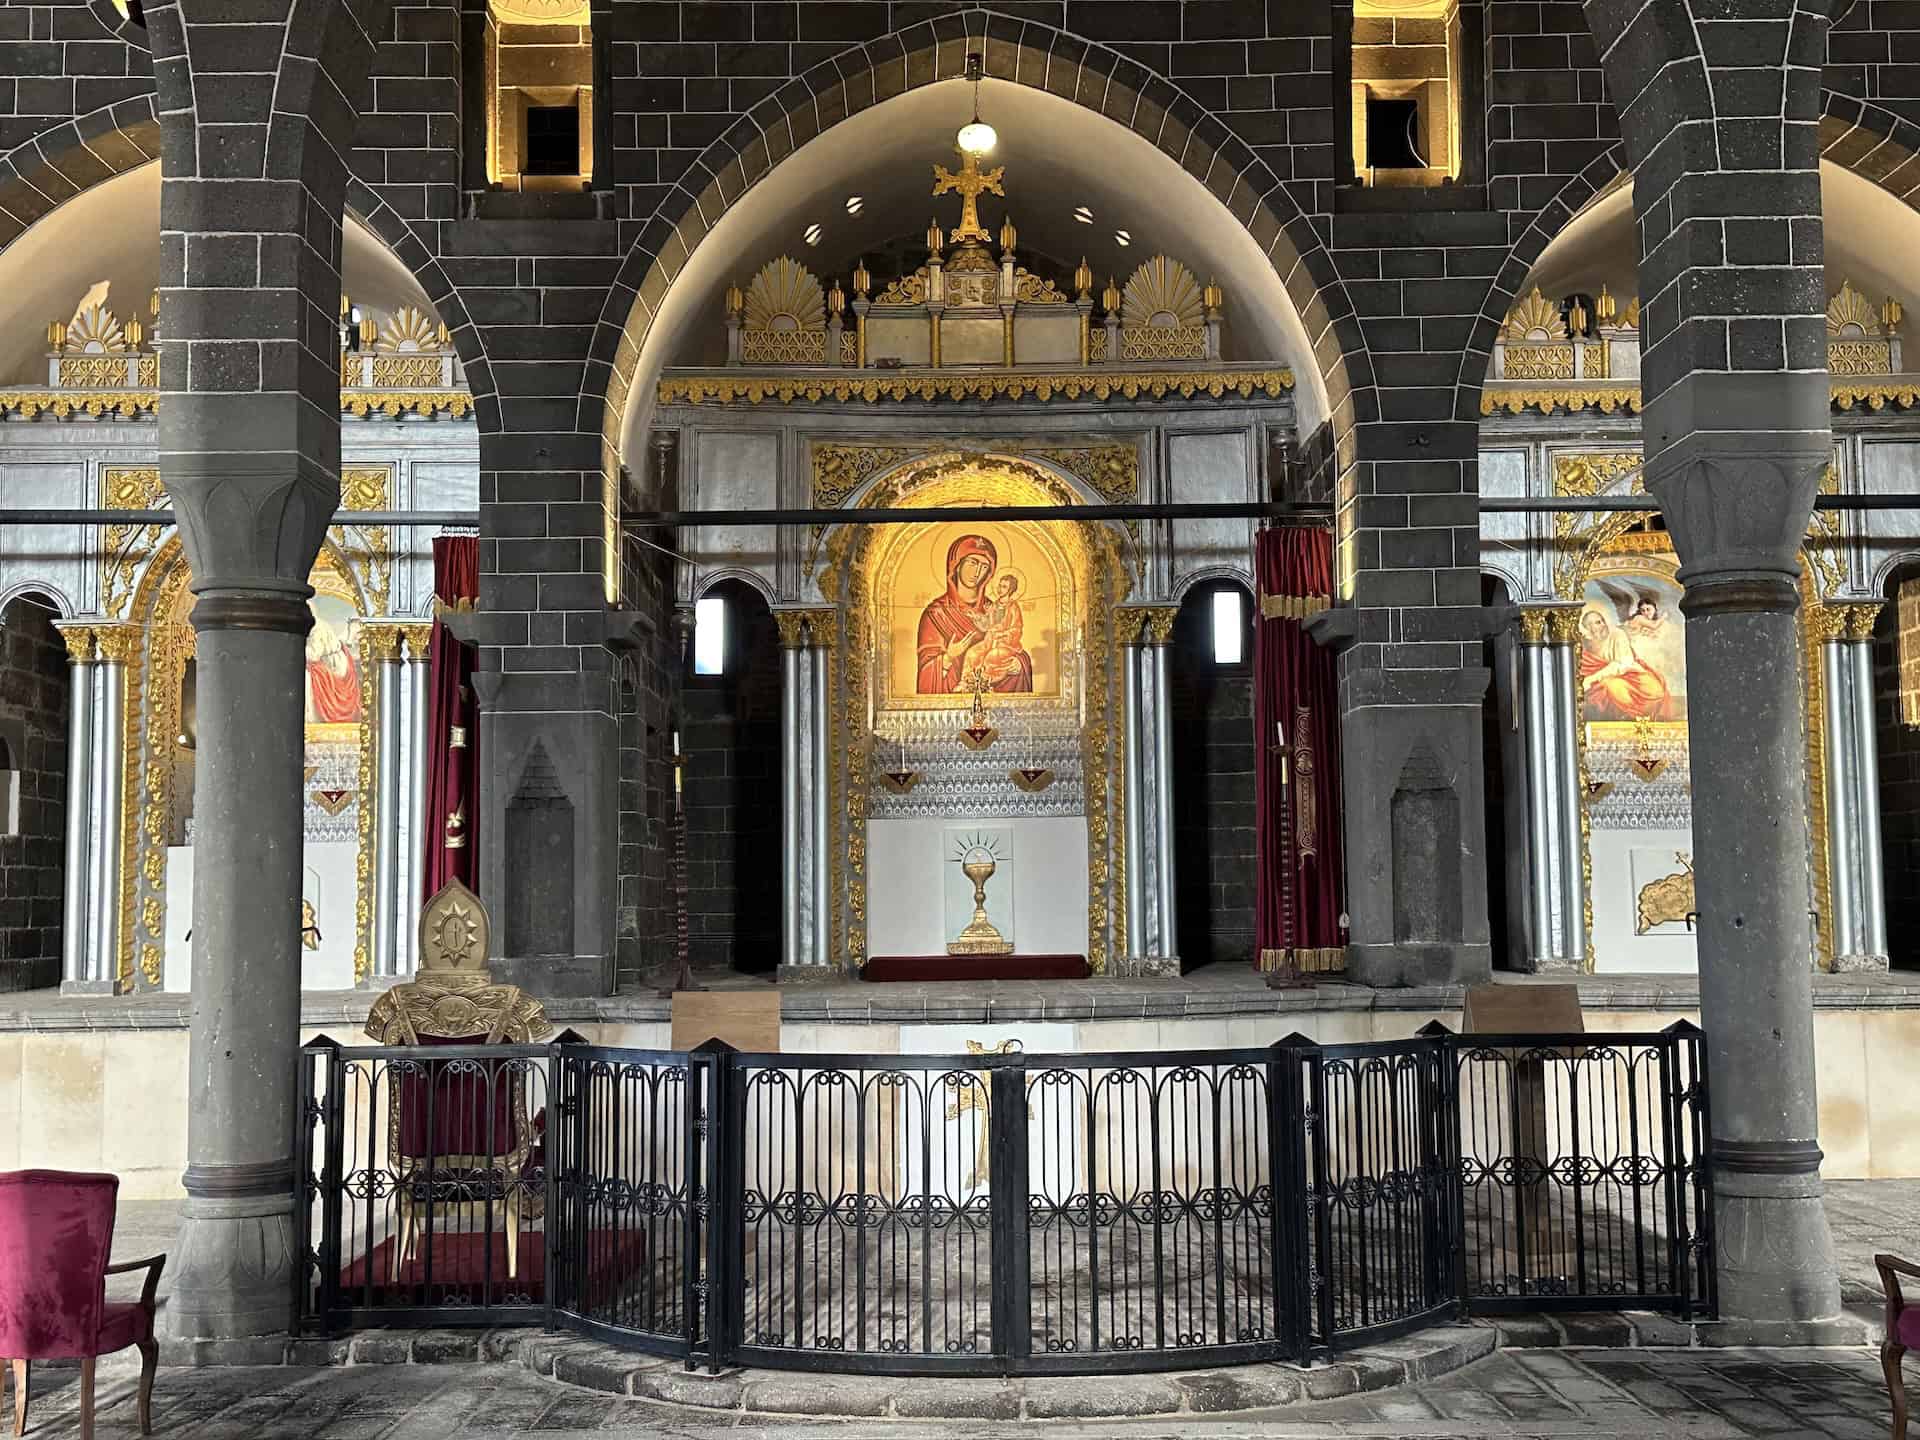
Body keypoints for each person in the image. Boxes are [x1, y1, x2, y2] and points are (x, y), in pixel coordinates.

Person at [1578, 607, 1669, 721]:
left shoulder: (1617, 634)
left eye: (1602, 621)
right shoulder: (1586, 643)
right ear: (1588, 628)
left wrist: (1592, 678)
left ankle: (1638, 714)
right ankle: (1629, 715)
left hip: (1632, 673)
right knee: (1609, 685)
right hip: (1610, 681)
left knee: (1656, 691)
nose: (1603, 625)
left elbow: (1624, 662)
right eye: (1597, 623)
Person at [973, 573, 1032, 689]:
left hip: (1007, 645)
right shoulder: (994, 605)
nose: (1000, 589)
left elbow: (1016, 629)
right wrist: (980, 617)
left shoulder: (1013, 607)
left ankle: (985, 683)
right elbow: (988, 627)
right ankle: (968, 682)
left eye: (1004, 587)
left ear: (1011, 589)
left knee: (991, 656)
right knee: (972, 653)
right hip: (990, 641)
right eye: (999, 586)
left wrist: (1002, 634)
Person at [305, 611, 362, 724]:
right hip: (330, 661)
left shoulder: (317, 628)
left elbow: (314, 655)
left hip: (336, 666)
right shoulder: (317, 625)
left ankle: (311, 718)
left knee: (308, 676)